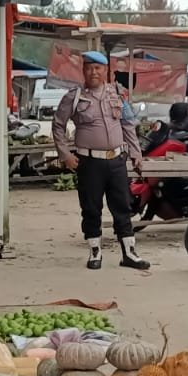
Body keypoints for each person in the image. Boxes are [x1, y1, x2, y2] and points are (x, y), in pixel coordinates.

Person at [53, 51, 148, 270]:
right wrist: (65, 154)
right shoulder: (74, 96)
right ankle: (95, 252)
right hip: (89, 162)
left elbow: (128, 124)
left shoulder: (118, 93)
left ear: (106, 71)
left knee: (122, 207)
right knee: (91, 207)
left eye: (98, 68)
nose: (94, 72)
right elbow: (58, 125)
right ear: (83, 71)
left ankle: (129, 254)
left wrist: (136, 153)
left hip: (116, 160)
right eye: (89, 68)